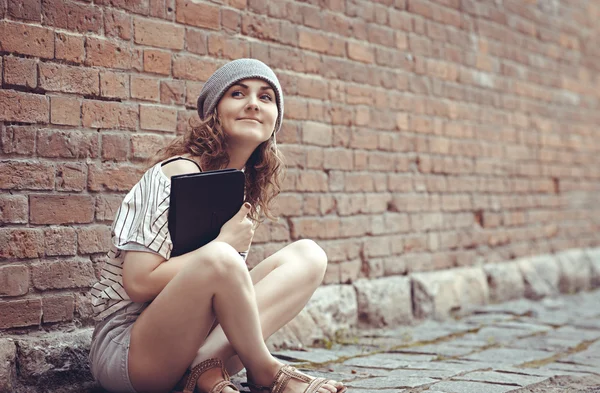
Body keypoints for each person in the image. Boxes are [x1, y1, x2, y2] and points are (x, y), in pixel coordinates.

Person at [88, 59, 347, 393]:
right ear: (215, 111)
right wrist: (222, 245)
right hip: (130, 351)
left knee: (308, 255)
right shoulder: (177, 172)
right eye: (238, 93)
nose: (253, 103)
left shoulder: (238, 188)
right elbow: (138, 282)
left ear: (273, 122)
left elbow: (220, 292)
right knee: (221, 259)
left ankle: (202, 369)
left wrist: (221, 252)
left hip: (194, 342)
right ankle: (265, 370)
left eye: (266, 97)